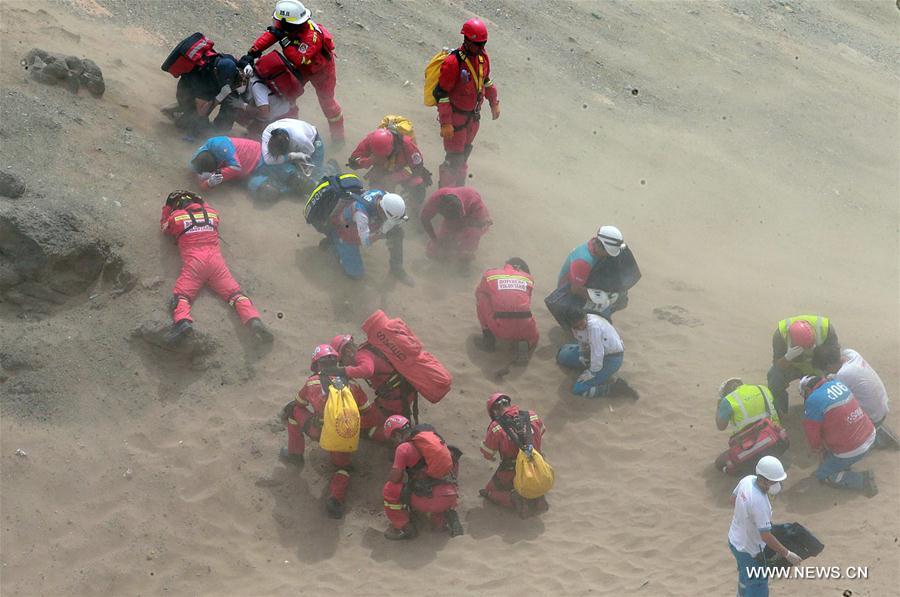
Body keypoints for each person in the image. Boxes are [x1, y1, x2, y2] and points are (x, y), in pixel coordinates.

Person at [159, 191, 273, 344]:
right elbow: (207, 208)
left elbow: (164, 228)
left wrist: (167, 207)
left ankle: (183, 322)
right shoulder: (212, 214)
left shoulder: (176, 217)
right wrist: (201, 200)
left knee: (181, 296)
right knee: (235, 294)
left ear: (178, 206)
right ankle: (254, 320)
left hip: (194, 264)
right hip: (216, 263)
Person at [279, 344, 371, 518]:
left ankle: (295, 455)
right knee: (343, 467)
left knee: (293, 413)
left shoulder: (312, 382)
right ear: (337, 361)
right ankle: (336, 500)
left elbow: (299, 404)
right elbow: (368, 412)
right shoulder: (354, 385)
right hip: (343, 436)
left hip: (319, 431)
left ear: (317, 365)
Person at [244, 1, 344, 143]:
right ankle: (286, 129)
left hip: (321, 71)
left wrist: (284, 40)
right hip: (301, 69)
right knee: (286, 94)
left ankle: (338, 139)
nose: (277, 23)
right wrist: (253, 52)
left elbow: (299, 59)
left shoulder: (312, 36)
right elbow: (271, 34)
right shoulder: (288, 23)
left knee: (327, 103)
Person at [432, 18, 500, 187]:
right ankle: (445, 193)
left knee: (463, 155)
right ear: (467, 41)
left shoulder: (483, 58)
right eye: (477, 44)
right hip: (456, 120)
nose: (481, 48)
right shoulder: (453, 63)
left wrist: (494, 101)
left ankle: (459, 188)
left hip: (472, 119)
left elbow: (486, 81)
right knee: (454, 158)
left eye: (483, 44)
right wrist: (446, 123)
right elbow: (441, 94)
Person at [728, 456, 803, 597]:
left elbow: (732, 500)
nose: (776, 485)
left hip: (734, 540)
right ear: (763, 479)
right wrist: (787, 554)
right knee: (757, 585)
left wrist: (747, 516)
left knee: (745, 576)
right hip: (750, 550)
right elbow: (766, 536)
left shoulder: (747, 480)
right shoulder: (760, 503)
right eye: (774, 481)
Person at [381, 415, 464, 540]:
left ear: (396, 435)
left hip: (430, 498)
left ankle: (404, 527)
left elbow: (395, 479)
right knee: (432, 490)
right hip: (450, 495)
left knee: (389, 489)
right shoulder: (436, 444)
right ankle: (443, 518)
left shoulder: (403, 448)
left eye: (393, 439)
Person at [327, 334, 416, 441]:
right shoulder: (366, 351)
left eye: (341, 361)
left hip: (395, 398)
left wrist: (343, 371)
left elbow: (367, 370)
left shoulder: (361, 355)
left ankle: (399, 438)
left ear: (347, 352)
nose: (342, 364)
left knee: (360, 426)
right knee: (370, 415)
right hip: (401, 392)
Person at [800, 375, 878, 497]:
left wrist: (817, 448)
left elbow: (812, 433)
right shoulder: (837, 383)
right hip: (870, 434)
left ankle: (863, 480)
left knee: (823, 474)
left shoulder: (813, 399)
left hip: (853, 449)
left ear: (808, 390)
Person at [546, 225, 636, 327]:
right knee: (595, 317)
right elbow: (575, 289)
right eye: (608, 252)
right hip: (569, 292)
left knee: (621, 297)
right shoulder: (583, 261)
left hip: (590, 279)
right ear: (599, 245)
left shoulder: (600, 249)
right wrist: (602, 299)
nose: (610, 255)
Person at [814, 345, 898, 450]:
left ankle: (872, 436)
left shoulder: (843, 374)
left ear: (829, 365)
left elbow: (832, 399)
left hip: (874, 416)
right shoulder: (851, 353)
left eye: (826, 368)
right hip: (881, 406)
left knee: (834, 414)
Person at [479, 393, 548, 517]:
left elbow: (488, 454)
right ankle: (537, 496)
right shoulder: (532, 415)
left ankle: (516, 499)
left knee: (489, 491)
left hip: (512, 472)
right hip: (537, 467)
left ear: (494, 411)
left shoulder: (496, 428)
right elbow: (542, 431)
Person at [323, 188, 413, 284]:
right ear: (382, 211)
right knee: (356, 274)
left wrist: (392, 224)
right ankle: (334, 243)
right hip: (346, 228)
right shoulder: (361, 214)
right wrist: (382, 232)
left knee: (397, 233)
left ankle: (396, 267)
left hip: (365, 224)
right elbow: (366, 242)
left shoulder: (384, 197)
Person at [556, 308, 638, 399]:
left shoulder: (594, 327)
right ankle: (589, 368)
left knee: (579, 390)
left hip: (610, 358)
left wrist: (592, 372)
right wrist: (582, 354)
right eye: (576, 327)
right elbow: (582, 340)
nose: (580, 328)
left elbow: (598, 352)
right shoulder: (578, 322)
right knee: (562, 356)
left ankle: (615, 388)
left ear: (585, 317)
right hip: (591, 352)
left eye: (581, 325)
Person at [766, 315, 838, 417]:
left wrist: (823, 380)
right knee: (774, 377)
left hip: (817, 366)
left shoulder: (826, 330)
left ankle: (823, 410)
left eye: (810, 346)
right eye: (805, 348)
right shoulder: (780, 336)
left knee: (833, 380)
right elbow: (778, 366)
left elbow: (834, 361)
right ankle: (781, 411)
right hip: (793, 366)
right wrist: (787, 357)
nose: (808, 349)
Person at [164, 53, 244, 138]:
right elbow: (202, 111)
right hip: (187, 93)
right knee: (191, 122)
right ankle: (172, 110)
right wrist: (219, 98)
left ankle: (220, 129)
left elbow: (237, 60)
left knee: (233, 97)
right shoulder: (204, 79)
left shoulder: (227, 61)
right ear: (216, 70)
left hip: (204, 93)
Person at [474, 257, 538, 363]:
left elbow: (479, 291)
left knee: (481, 294)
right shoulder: (529, 279)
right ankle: (525, 342)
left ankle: (488, 338)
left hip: (501, 329)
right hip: (527, 328)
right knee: (523, 307)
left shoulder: (490, 274)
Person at [347, 127, 430, 206]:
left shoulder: (407, 145)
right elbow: (353, 162)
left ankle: (414, 207)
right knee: (377, 197)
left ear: (392, 147)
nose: (382, 158)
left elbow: (418, 167)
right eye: (378, 155)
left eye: (384, 155)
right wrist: (368, 161)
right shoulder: (370, 140)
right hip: (381, 172)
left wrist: (393, 177)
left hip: (403, 170)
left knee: (417, 183)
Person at [714, 378, 785, 471]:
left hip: (751, 444)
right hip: (776, 440)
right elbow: (780, 414)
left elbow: (721, 426)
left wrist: (719, 406)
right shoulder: (762, 388)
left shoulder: (728, 400)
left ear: (727, 391)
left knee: (719, 463)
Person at [248, 118, 325, 201]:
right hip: (291, 152)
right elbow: (268, 160)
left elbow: (309, 155)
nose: (276, 158)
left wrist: (300, 163)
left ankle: (330, 168)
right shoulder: (268, 133)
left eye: (278, 156)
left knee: (315, 174)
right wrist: (292, 156)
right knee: (297, 177)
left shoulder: (301, 139)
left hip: (314, 143)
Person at [420, 187, 492, 267]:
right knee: (436, 248)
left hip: (471, 219)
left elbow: (480, 224)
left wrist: (460, 244)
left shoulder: (474, 201)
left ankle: (465, 263)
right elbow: (424, 218)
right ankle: (442, 257)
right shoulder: (436, 199)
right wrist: (434, 239)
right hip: (454, 220)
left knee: (470, 239)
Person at [235, 59, 299, 135]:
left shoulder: (257, 87)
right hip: (285, 110)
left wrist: (243, 106)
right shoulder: (253, 74)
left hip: (284, 117)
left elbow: (264, 113)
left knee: (240, 113)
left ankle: (257, 136)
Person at [189, 136, 262, 191]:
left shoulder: (224, 151)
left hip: (258, 159)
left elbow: (236, 168)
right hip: (250, 153)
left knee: (253, 185)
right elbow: (194, 166)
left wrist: (210, 181)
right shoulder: (202, 151)